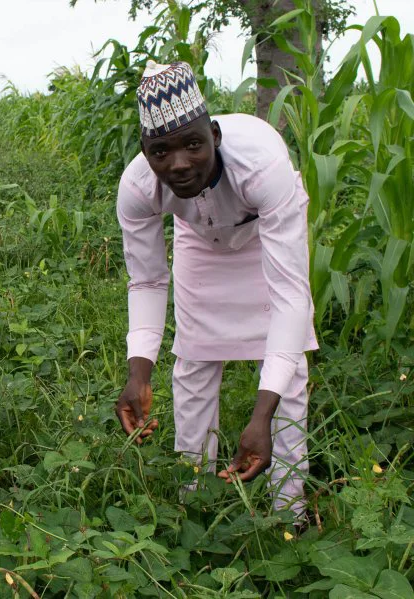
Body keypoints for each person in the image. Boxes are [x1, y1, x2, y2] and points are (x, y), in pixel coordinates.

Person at [114, 61, 317, 515]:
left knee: (289, 369)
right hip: (201, 239)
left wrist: (260, 414)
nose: (180, 164)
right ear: (146, 153)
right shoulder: (137, 187)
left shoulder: (263, 169)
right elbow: (146, 279)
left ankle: (290, 509)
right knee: (194, 358)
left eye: (193, 145)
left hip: (264, 230)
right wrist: (138, 373)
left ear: (216, 136)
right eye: (161, 151)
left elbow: (290, 295)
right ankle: (195, 499)